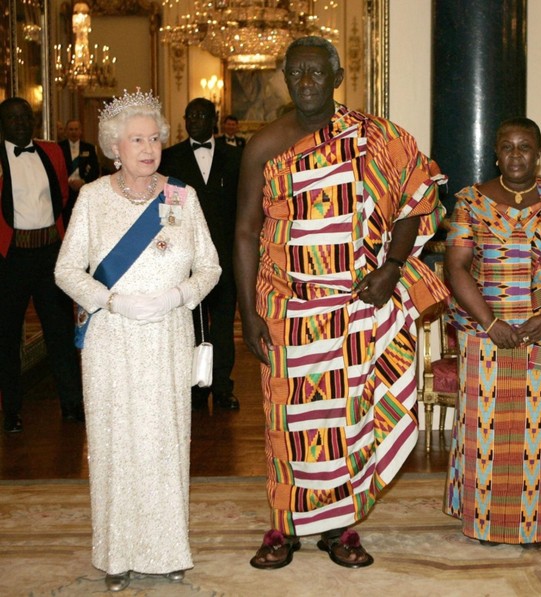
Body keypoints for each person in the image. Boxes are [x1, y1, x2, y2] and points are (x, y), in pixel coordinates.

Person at [235, 36, 448, 569]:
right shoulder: (264, 143)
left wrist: (392, 267)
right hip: (286, 308)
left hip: (353, 309)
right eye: (296, 74)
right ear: (286, 79)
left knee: (345, 419)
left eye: (315, 73)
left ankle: (340, 527)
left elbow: (418, 199)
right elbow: (243, 231)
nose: (306, 82)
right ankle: (283, 526)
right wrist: (247, 311)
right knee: (287, 422)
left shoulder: (375, 137)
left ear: (335, 77)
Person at [54, 89, 221, 591]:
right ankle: (116, 555)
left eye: (154, 138)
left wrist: (176, 296)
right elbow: (66, 270)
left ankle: (168, 548)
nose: (148, 147)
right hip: (111, 340)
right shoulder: (92, 198)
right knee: (115, 444)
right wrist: (112, 301)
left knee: (165, 442)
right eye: (136, 139)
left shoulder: (181, 197)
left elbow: (209, 267)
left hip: (167, 335)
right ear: (114, 147)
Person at [443, 117, 541, 547]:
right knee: (485, 437)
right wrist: (492, 324)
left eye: (524, 146)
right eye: (506, 146)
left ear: (539, 151)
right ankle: (486, 523)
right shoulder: (470, 202)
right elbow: (456, 267)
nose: (515, 155)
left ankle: (537, 523)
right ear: (495, 152)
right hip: (485, 331)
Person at [0, 97, 84, 433]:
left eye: (25, 116)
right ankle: (12, 411)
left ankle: (71, 404)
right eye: (12, 117)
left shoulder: (52, 151)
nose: (20, 122)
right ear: (3, 123)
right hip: (11, 257)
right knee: (6, 337)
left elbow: (62, 195)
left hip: (51, 254)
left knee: (61, 333)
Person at [160, 98, 242, 411]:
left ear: (214, 119)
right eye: (190, 114)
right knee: (190, 325)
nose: (195, 119)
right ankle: (195, 388)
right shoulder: (171, 158)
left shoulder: (234, 157)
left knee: (222, 324)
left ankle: (222, 387)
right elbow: (169, 215)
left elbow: (241, 208)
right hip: (186, 258)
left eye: (201, 115)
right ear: (184, 119)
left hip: (223, 257)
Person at [58, 118, 101, 221]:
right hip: (65, 190)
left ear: (81, 131)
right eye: (71, 129)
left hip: (83, 189)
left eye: (76, 129)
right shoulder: (59, 147)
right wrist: (67, 182)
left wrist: (83, 182)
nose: (74, 132)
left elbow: (95, 169)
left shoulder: (89, 148)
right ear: (66, 131)